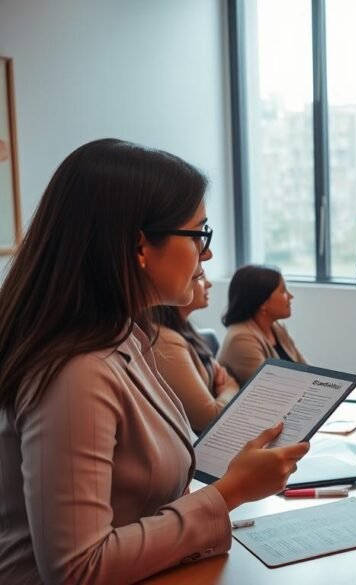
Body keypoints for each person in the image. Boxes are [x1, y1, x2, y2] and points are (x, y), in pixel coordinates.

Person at [0, 139, 309, 584]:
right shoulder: (76, 372)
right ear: (140, 246)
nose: (207, 255)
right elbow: (77, 570)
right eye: (199, 234)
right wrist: (231, 492)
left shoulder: (126, 338)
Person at [151, 272, 239, 433]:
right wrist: (230, 388)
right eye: (199, 277)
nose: (209, 284)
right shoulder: (166, 341)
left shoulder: (187, 329)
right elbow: (209, 420)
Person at [218, 264, 306, 383]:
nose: (290, 296)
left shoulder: (278, 328)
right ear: (262, 302)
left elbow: (307, 370)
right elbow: (271, 387)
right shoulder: (241, 339)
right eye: (283, 291)